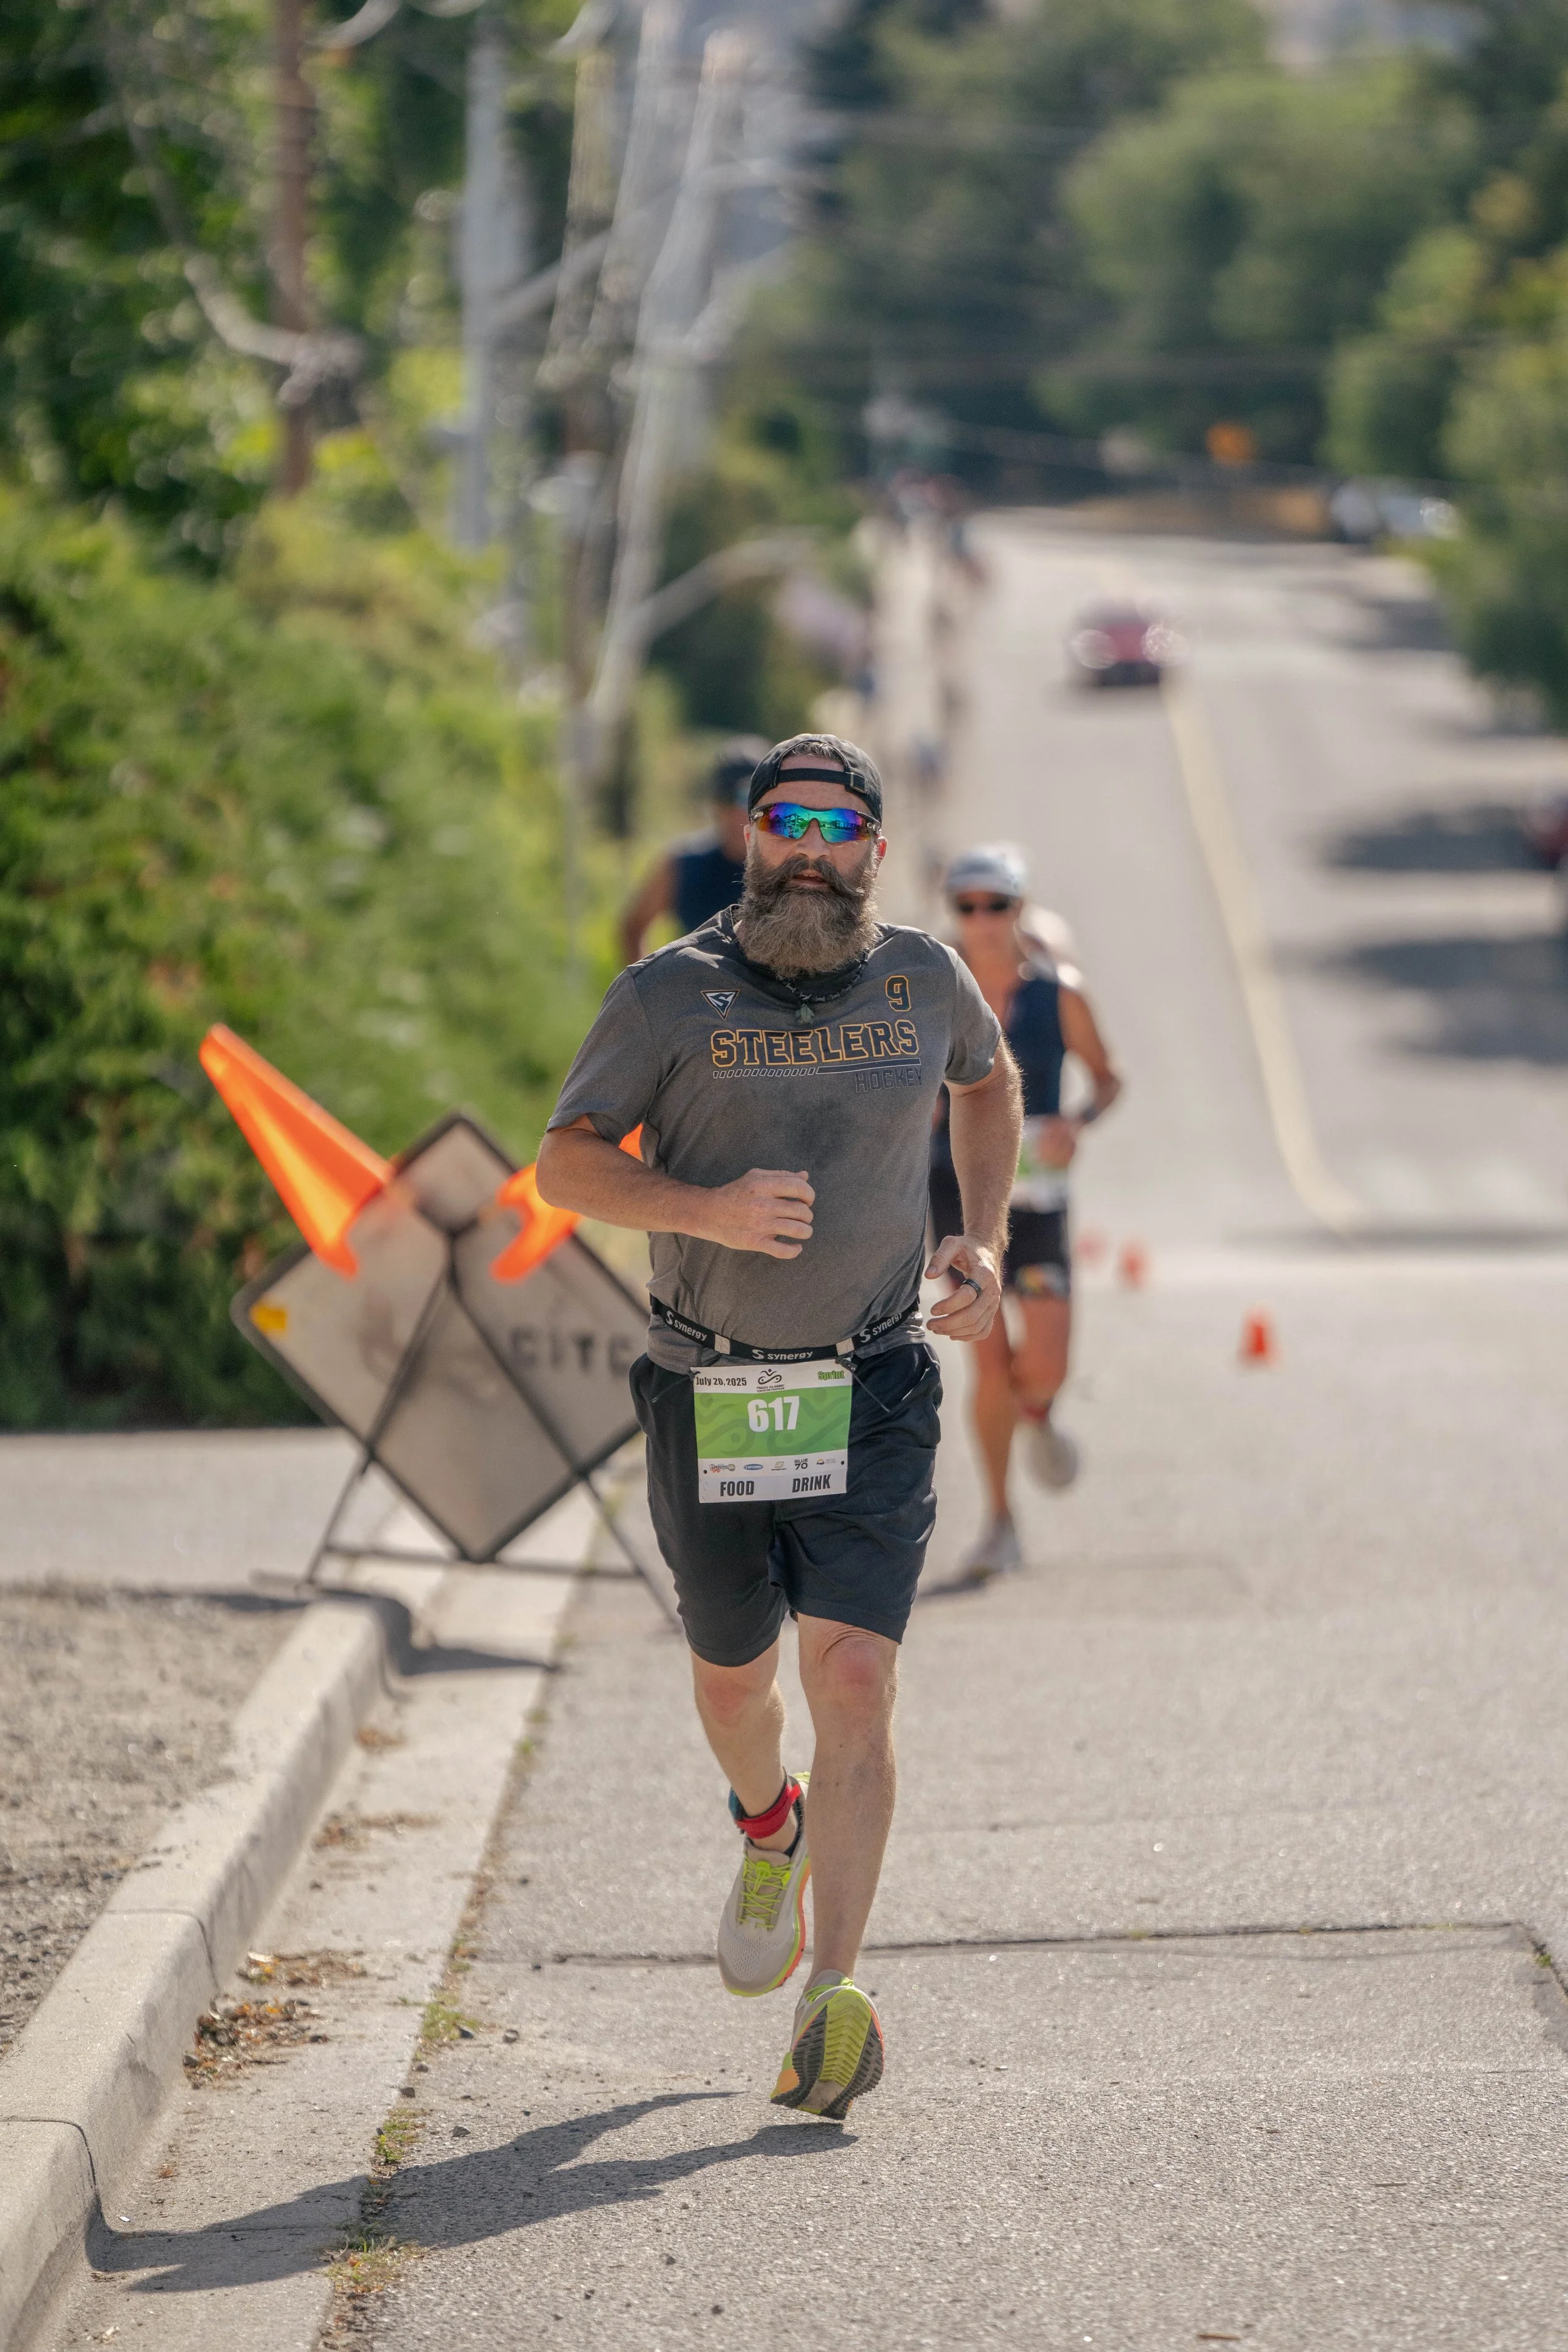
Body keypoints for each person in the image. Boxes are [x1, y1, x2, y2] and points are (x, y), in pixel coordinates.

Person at [536, 732, 1022, 2120]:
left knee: (855, 1683)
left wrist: (976, 1244)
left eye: (834, 826)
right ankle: (769, 1827)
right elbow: (562, 1161)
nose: (807, 846)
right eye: (781, 821)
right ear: (747, 840)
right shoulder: (666, 996)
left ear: (873, 850)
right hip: (710, 1389)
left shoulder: (923, 977)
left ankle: (833, 1998)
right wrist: (702, 1210)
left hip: (872, 1381)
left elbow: (984, 1086)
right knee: (734, 1688)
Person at [928, 844, 1122, 1583]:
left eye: (996, 905)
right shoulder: (933, 996)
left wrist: (1078, 1121)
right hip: (953, 1198)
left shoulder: (1057, 994)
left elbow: (1109, 1079)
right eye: (966, 906)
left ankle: (1038, 1412)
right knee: (986, 1362)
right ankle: (1000, 1520)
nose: (980, 920)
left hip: (1037, 1204)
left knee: (1041, 1364)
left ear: (1020, 910)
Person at [617, 737, 767, 965]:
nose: (739, 813)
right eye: (728, 798)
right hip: (699, 995)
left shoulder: (787, 871)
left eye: (750, 802)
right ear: (715, 804)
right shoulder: (683, 865)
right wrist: (649, 991)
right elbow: (634, 927)